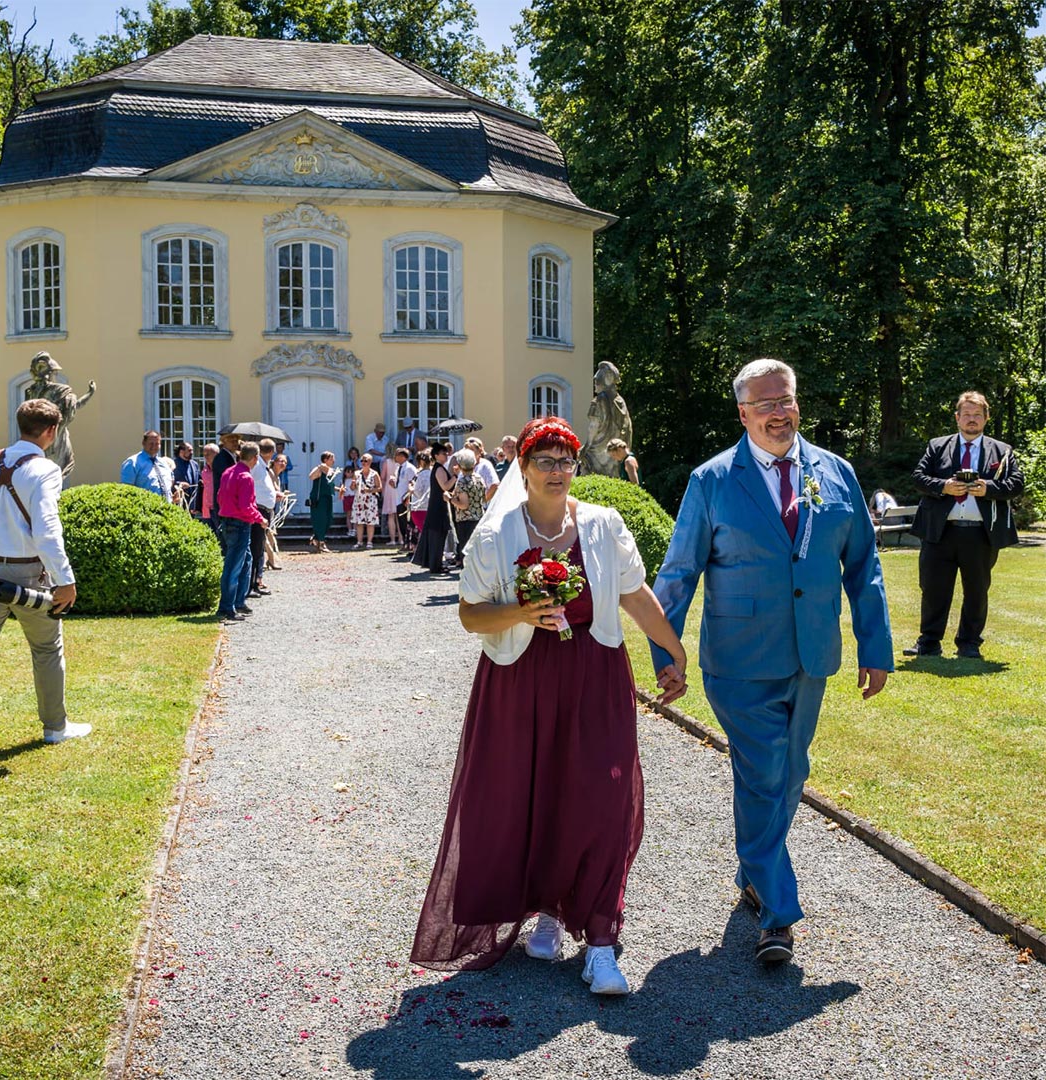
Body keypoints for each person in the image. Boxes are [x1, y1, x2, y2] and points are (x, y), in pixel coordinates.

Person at [411, 417, 686, 994]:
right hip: (520, 679)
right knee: (530, 796)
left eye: (566, 461)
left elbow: (635, 594)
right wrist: (522, 611)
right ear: (524, 467)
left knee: (603, 799)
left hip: (595, 676)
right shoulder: (495, 534)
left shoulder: (604, 525)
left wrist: (672, 649)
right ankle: (547, 910)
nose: (558, 471)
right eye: (546, 461)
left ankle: (602, 941)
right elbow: (470, 614)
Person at [650, 358, 893, 966]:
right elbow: (678, 573)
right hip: (738, 659)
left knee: (789, 774)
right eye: (765, 405)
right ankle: (778, 916)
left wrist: (876, 646)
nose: (779, 413)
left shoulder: (835, 472)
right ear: (743, 413)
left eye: (786, 400)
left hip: (811, 655)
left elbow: (863, 565)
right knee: (764, 775)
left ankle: (753, 876)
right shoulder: (711, 480)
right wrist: (666, 653)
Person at [0, 399, 89, 743]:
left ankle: (57, 727)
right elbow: (47, 530)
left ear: (19, 424)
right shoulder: (45, 469)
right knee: (47, 651)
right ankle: (55, 728)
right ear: (52, 431)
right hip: (28, 575)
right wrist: (65, 580)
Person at [903, 391, 1025, 660]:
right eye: (966, 414)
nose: (972, 419)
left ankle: (969, 643)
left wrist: (989, 488)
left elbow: (1016, 484)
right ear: (957, 418)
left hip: (980, 534)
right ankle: (929, 642)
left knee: (976, 592)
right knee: (933, 589)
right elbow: (918, 478)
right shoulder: (937, 446)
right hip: (940, 531)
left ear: (986, 418)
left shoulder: (1002, 450)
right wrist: (943, 486)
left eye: (977, 415)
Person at [23, 350, 96, 479]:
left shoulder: (31, 393)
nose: (55, 375)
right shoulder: (60, 391)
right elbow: (76, 405)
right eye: (53, 372)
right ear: (48, 373)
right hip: (56, 439)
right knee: (56, 473)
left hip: (37, 441)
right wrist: (90, 392)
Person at [216, 442, 268, 622]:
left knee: (245, 561)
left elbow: (220, 497)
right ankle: (226, 607)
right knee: (233, 566)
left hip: (227, 521)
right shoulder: (246, 477)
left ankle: (238, 601)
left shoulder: (228, 472)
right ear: (255, 457)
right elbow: (246, 506)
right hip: (240, 524)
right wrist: (260, 519)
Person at [411, 442, 456, 574]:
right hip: (438, 507)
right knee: (437, 535)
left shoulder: (438, 468)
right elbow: (445, 486)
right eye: (443, 453)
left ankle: (435, 563)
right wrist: (455, 476)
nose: (446, 455)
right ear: (436, 455)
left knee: (438, 535)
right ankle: (436, 565)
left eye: (446, 453)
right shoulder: (439, 469)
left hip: (437, 506)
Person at [444, 448, 485, 569]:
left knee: (466, 551)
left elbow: (464, 504)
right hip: (479, 517)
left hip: (466, 520)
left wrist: (449, 499)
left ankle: (467, 574)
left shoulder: (462, 482)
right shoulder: (479, 478)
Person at [249, 438, 280, 597]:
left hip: (264, 510)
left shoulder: (263, 465)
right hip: (258, 510)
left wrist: (274, 494)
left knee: (260, 548)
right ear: (271, 452)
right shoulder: (257, 466)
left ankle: (256, 582)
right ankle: (251, 585)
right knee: (256, 548)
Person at [120, 431, 175, 500]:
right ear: (143, 443)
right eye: (151, 443)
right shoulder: (133, 463)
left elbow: (171, 481)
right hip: (145, 505)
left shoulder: (164, 463)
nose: (154, 446)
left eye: (157, 444)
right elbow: (126, 489)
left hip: (166, 505)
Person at [211, 432, 241, 553]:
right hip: (224, 504)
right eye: (231, 440)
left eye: (236, 440)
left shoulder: (234, 456)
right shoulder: (221, 458)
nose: (235, 443)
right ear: (224, 442)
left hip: (231, 503)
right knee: (227, 541)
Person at [307, 451, 339, 551]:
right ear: (325, 460)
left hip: (327, 497)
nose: (333, 461)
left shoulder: (331, 471)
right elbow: (311, 476)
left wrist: (339, 489)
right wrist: (320, 468)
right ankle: (321, 542)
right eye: (331, 459)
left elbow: (330, 485)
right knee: (321, 519)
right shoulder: (319, 468)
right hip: (318, 498)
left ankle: (316, 538)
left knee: (329, 519)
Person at [351, 453, 382, 549]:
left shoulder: (374, 474)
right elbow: (352, 488)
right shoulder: (356, 473)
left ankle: (369, 542)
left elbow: (380, 488)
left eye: (366, 461)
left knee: (370, 522)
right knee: (359, 522)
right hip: (359, 500)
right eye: (362, 461)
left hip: (370, 500)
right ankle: (359, 541)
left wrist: (370, 490)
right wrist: (353, 484)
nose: (363, 462)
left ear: (370, 462)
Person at [389, 447, 418, 550]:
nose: (395, 457)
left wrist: (408, 497)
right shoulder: (398, 468)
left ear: (402, 456)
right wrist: (393, 484)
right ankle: (405, 543)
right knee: (402, 523)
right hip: (398, 499)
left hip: (406, 500)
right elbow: (399, 484)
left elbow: (413, 483)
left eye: (397, 455)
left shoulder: (409, 468)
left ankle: (410, 544)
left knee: (407, 523)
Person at [408, 450, 432, 550]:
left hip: (420, 506)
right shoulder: (434, 473)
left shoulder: (421, 475)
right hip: (431, 506)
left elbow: (418, 492)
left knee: (422, 531)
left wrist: (411, 489)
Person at [379, 442, 402, 546]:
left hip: (389, 488)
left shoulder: (386, 462)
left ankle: (393, 539)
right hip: (398, 488)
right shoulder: (399, 463)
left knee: (391, 515)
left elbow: (383, 477)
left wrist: (383, 490)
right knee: (399, 515)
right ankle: (401, 538)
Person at [464, 437, 500, 502]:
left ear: (479, 451)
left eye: (472, 450)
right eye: (467, 451)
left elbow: (494, 485)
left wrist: (482, 502)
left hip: (481, 506)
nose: (469, 453)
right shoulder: (464, 466)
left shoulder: (485, 465)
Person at [173, 441, 202, 513]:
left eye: (192, 450)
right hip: (180, 501)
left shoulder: (194, 464)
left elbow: (199, 479)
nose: (192, 452)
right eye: (189, 450)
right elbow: (169, 481)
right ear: (181, 451)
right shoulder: (174, 464)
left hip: (193, 502)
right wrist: (180, 484)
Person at [200, 443, 219, 533]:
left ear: (216, 454)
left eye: (208, 454)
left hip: (218, 509)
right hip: (206, 511)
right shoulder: (204, 470)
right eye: (204, 454)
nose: (205, 457)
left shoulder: (221, 470)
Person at [340, 464, 358, 536]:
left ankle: (354, 529)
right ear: (345, 473)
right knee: (348, 515)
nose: (350, 474)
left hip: (354, 497)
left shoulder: (354, 480)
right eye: (348, 472)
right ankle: (350, 529)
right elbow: (341, 490)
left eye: (351, 472)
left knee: (355, 514)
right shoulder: (343, 481)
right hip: (346, 498)